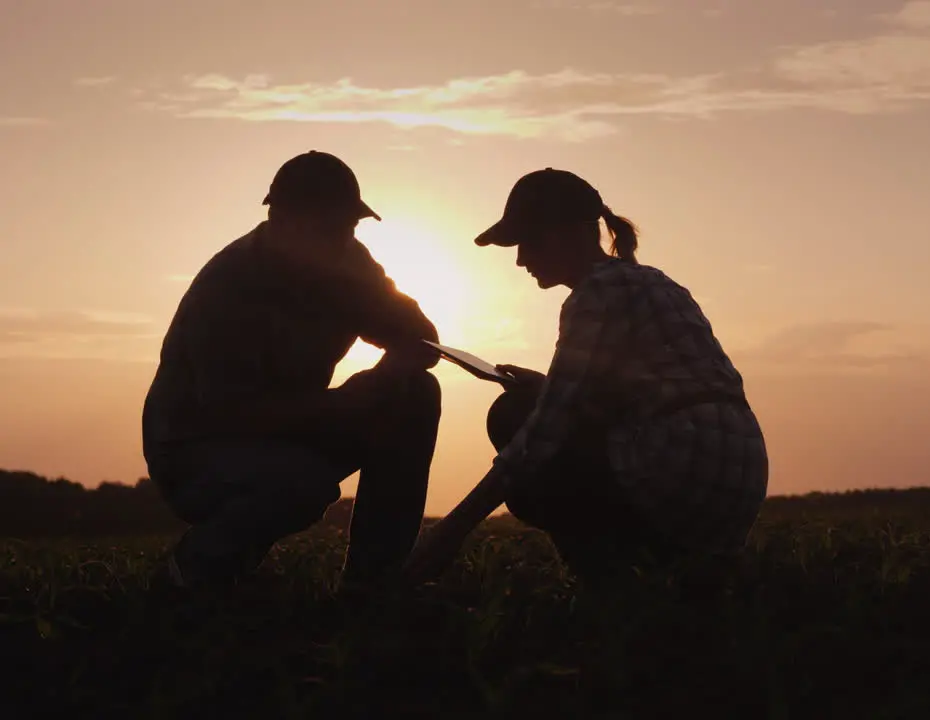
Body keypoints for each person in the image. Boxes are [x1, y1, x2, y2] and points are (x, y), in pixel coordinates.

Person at [404, 168, 768, 584]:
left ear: (573, 233)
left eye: (530, 241)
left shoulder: (595, 292)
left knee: (513, 415)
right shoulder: (654, 281)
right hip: (739, 474)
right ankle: (688, 571)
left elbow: (543, 433)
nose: (521, 259)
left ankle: (609, 590)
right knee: (537, 406)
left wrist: (450, 532)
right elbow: (651, 389)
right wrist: (548, 387)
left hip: (680, 465)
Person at [142, 150, 444, 592]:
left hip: (290, 434)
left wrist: (385, 377)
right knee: (302, 484)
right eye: (328, 226)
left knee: (414, 394)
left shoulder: (349, 264)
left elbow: (421, 339)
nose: (342, 239)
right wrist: (340, 405)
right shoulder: (230, 285)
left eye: (349, 226)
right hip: (195, 453)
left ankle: (375, 585)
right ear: (281, 219)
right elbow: (231, 413)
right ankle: (190, 572)